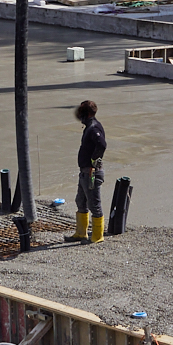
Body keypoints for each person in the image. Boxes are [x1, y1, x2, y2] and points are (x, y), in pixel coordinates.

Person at [64, 100, 107, 245]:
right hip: (84, 172)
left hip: (91, 173)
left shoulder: (94, 127)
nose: (80, 117)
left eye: (82, 114)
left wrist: (94, 162)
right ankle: (81, 233)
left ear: (87, 114)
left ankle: (97, 235)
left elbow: (101, 144)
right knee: (80, 201)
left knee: (94, 204)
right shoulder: (89, 127)